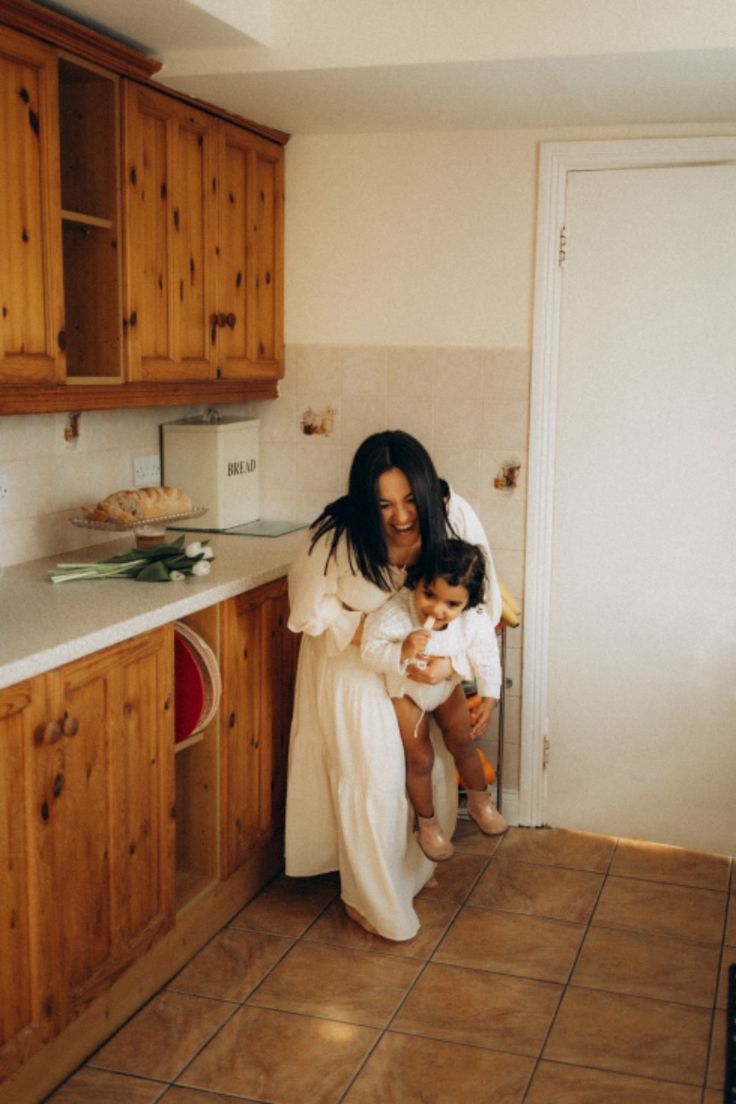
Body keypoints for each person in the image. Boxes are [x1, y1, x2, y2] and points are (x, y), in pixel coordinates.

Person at [284, 429, 503, 941]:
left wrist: (449, 667)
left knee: (422, 761)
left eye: (409, 501)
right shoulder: (335, 535)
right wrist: (387, 644)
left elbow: (481, 605)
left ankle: (407, 870)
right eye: (383, 504)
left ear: (428, 493)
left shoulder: (454, 516)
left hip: (424, 663)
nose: (401, 517)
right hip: (350, 658)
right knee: (375, 774)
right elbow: (307, 612)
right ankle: (371, 899)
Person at [361, 538, 507, 864]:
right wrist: (401, 650)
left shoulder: (473, 618)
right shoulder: (397, 612)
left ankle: (480, 801)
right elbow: (369, 651)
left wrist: (489, 696)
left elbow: (485, 655)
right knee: (421, 758)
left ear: (467, 603)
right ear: (417, 581)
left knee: (464, 742)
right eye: (429, 595)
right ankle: (426, 825)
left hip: (446, 688)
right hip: (406, 691)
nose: (437, 610)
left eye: (451, 605)